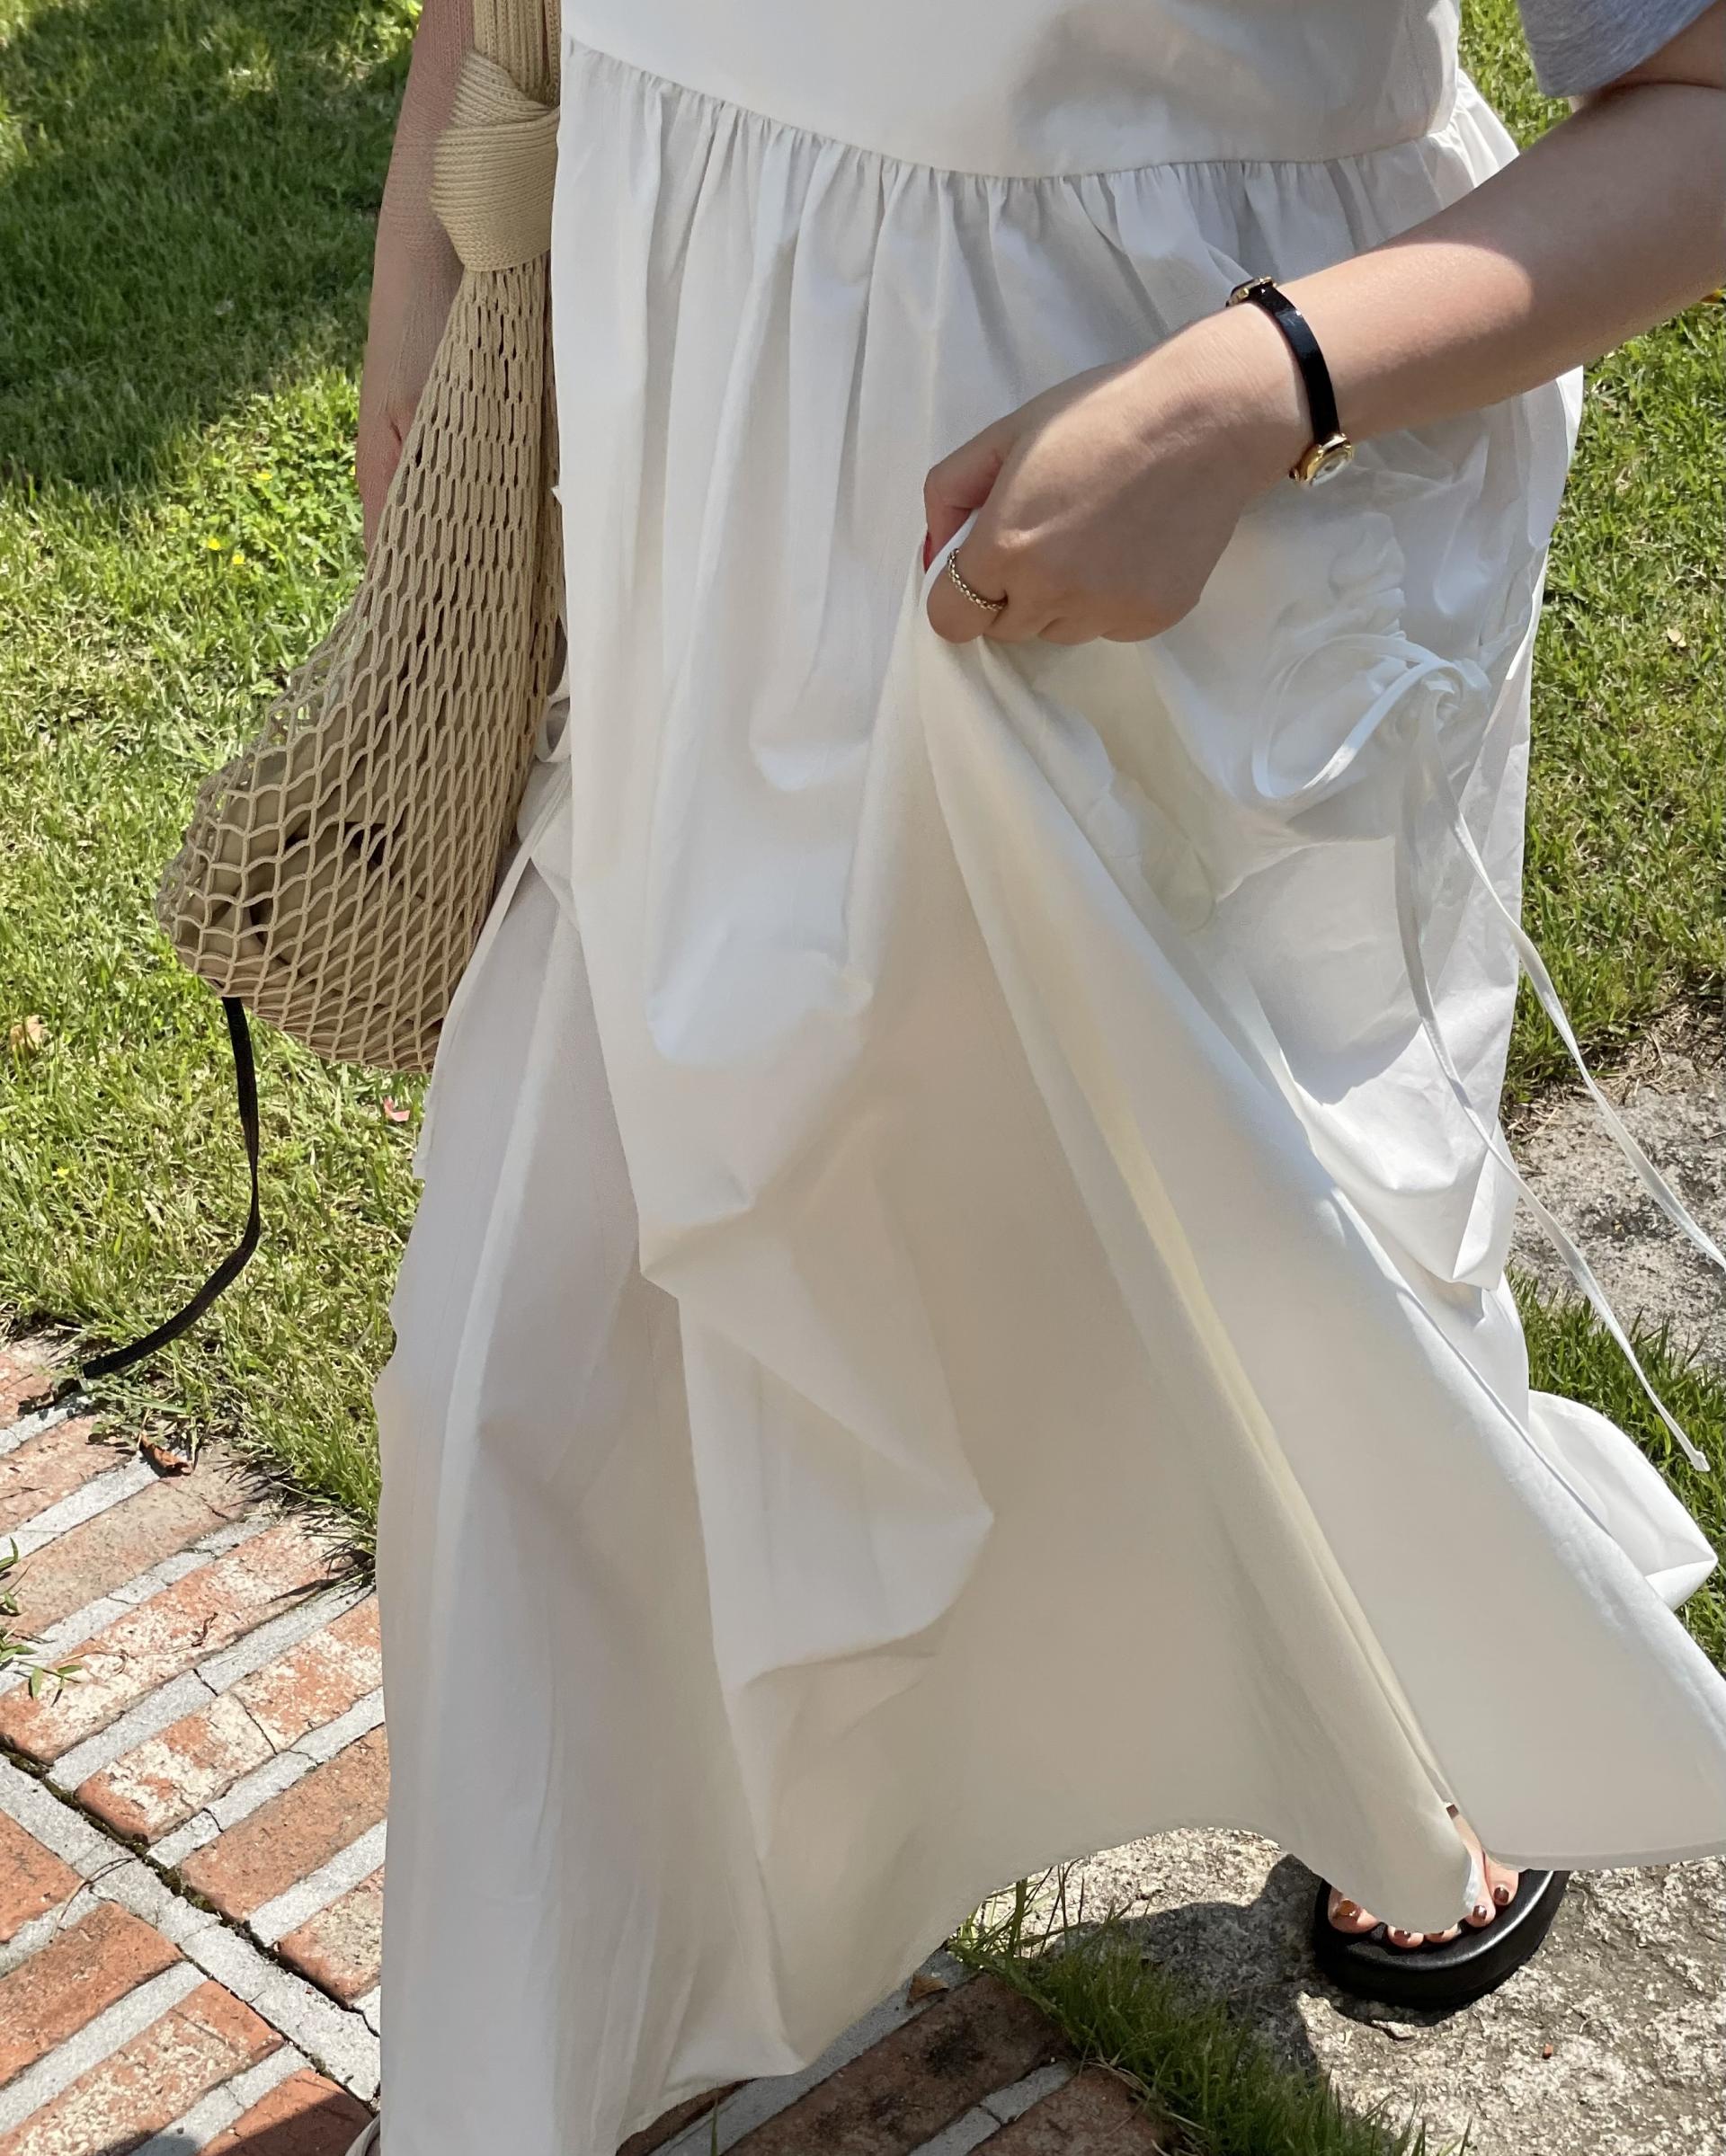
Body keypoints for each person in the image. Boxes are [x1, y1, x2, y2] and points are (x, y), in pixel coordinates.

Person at [353, 2, 1726, 2148]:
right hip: (703, 467)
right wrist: (429, 259)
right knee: (529, 1350)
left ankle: (1401, 1721)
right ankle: (501, 2092)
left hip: (1172, 518)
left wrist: (1260, 388)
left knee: (1261, 1251)